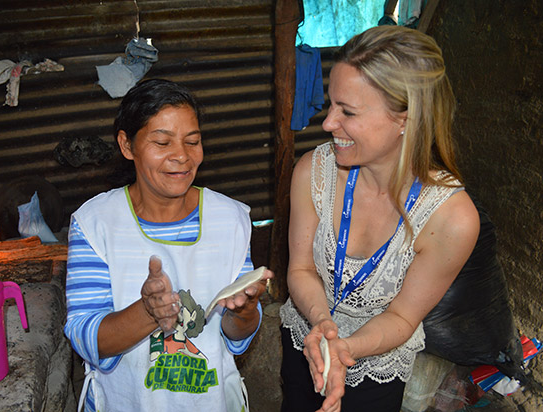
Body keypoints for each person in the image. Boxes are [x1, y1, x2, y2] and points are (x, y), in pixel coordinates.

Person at [279, 25, 480, 412]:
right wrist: (321, 324)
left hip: (373, 368)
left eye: (348, 112)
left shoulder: (451, 219)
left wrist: (345, 349)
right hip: (304, 341)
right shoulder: (313, 171)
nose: (327, 124)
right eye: (331, 104)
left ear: (405, 117)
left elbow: (403, 317)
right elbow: (302, 269)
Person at [64, 78, 273, 412]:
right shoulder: (96, 223)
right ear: (127, 145)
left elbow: (237, 338)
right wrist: (147, 312)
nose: (182, 156)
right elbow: (84, 337)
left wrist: (245, 311)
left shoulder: (229, 219)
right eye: (162, 142)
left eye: (193, 141)